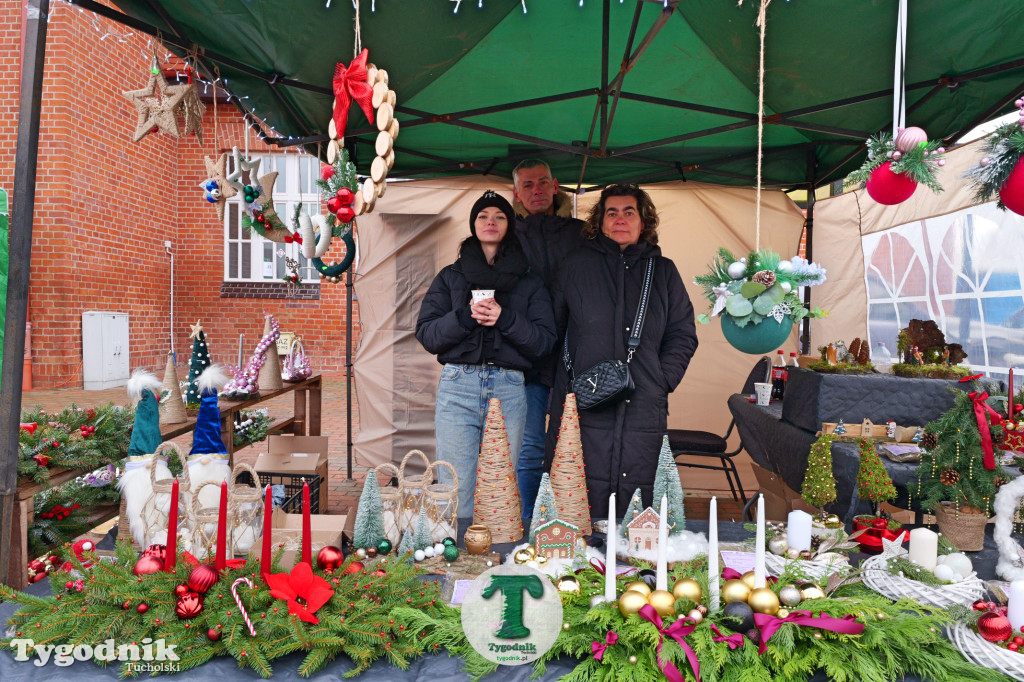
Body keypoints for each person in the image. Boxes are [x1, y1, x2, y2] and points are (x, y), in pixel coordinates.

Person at [547, 184, 698, 519]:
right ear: (599, 222)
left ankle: (633, 566)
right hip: (583, 400)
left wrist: (661, 379)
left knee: (639, 498)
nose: (620, 219)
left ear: (643, 222)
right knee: (578, 490)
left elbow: (683, 333)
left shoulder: (664, 271)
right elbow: (553, 332)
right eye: (611, 212)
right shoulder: (575, 267)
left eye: (629, 212)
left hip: (644, 402)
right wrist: (562, 389)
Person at [416, 190, 556, 518]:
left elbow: (544, 341)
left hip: (509, 388)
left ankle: (495, 558)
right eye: (483, 216)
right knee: (454, 484)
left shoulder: (529, 282)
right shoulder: (451, 277)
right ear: (473, 224)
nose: (490, 222)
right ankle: (454, 558)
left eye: (499, 216)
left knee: (500, 487)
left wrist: (505, 319)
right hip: (458, 385)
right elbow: (427, 334)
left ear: (509, 225)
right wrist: (465, 316)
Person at [511, 159, 587, 519]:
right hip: (525, 360)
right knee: (529, 446)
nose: (536, 190)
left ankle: (570, 519)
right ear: (517, 193)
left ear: (556, 186)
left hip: (575, 357)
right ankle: (528, 520)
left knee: (572, 445)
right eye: (528, 185)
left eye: (543, 182)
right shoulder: (507, 234)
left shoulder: (581, 233)